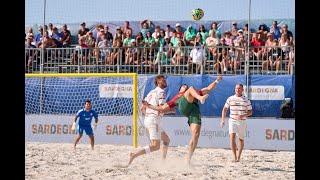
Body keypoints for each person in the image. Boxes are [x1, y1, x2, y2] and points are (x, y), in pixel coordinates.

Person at [143, 75, 222, 165]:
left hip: (193, 114)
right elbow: (162, 108)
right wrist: (149, 106)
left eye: (186, 86)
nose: (185, 86)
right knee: (191, 89)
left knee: (195, 136)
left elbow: (208, 88)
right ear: (180, 89)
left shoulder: (193, 92)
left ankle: (188, 159)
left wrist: (217, 81)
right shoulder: (177, 97)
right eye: (183, 86)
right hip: (184, 105)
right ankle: (200, 99)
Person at [127, 75, 171, 166]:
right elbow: (161, 108)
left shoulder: (151, 92)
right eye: (163, 80)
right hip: (153, 120)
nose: (165, 81)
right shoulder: (162, 92)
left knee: (166, 139)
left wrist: (148, 114)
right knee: (155, 146)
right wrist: (170, 110)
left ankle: (163, 161)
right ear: (158, 82)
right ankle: (134, 155)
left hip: (149, 119)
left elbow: (142, 108)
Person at [220, 84, 252, 162]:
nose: (237, 90)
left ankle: (238, 157)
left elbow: (250, 112)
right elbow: (224, 109)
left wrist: (243, 115)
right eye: (236, 88)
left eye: (239, 88)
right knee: (232, 138)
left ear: (242, 90)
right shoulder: (230, 98)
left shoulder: (246, 99)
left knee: (241, 139)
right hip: (232, 120)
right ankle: (234, 157)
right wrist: (222, 120)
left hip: (242, 121)